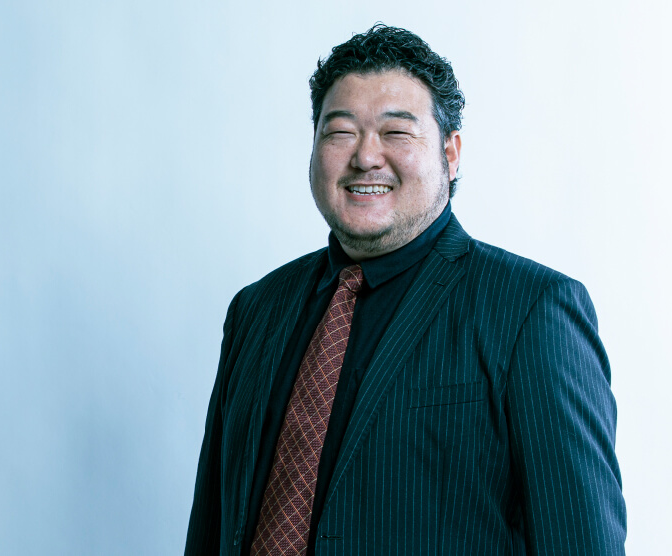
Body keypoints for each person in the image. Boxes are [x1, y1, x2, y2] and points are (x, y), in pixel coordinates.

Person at [184, 24, 625, 556]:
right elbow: (210, 527)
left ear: (451, 153)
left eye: (396, 132)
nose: (365, 157)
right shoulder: (256, 309)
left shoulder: (531, 311)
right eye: (340, 132)